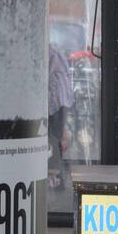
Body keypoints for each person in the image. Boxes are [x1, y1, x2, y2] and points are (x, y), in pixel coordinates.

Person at [48, 44, 74, 190]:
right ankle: (58, 179)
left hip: (55, 103)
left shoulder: (49, 53)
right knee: (57, 139)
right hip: (61, 101)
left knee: (54, 140)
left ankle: (57, 180)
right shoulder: (56, 52)